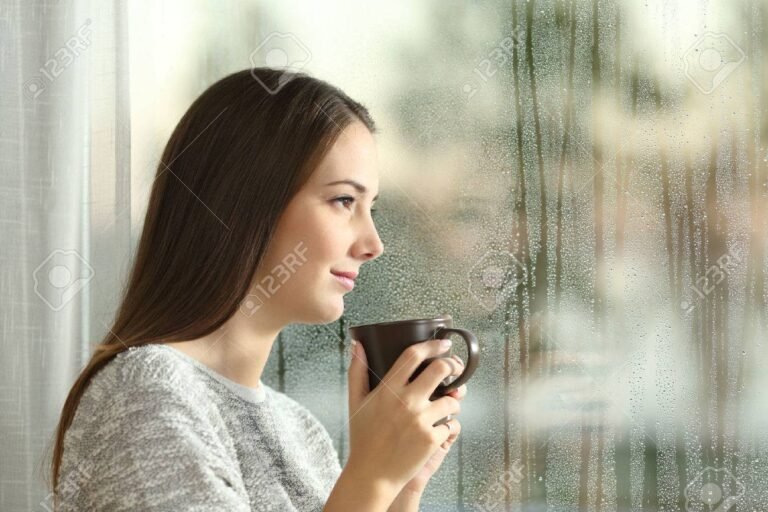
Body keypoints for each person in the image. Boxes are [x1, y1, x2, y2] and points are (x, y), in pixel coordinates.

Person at [48, 68, 468, 511]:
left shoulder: (300, 431)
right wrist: (373, 477)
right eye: (344, 201)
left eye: (371, 208)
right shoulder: (147, 393)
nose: (373, 244)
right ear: (246, 202)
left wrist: (402, 489)